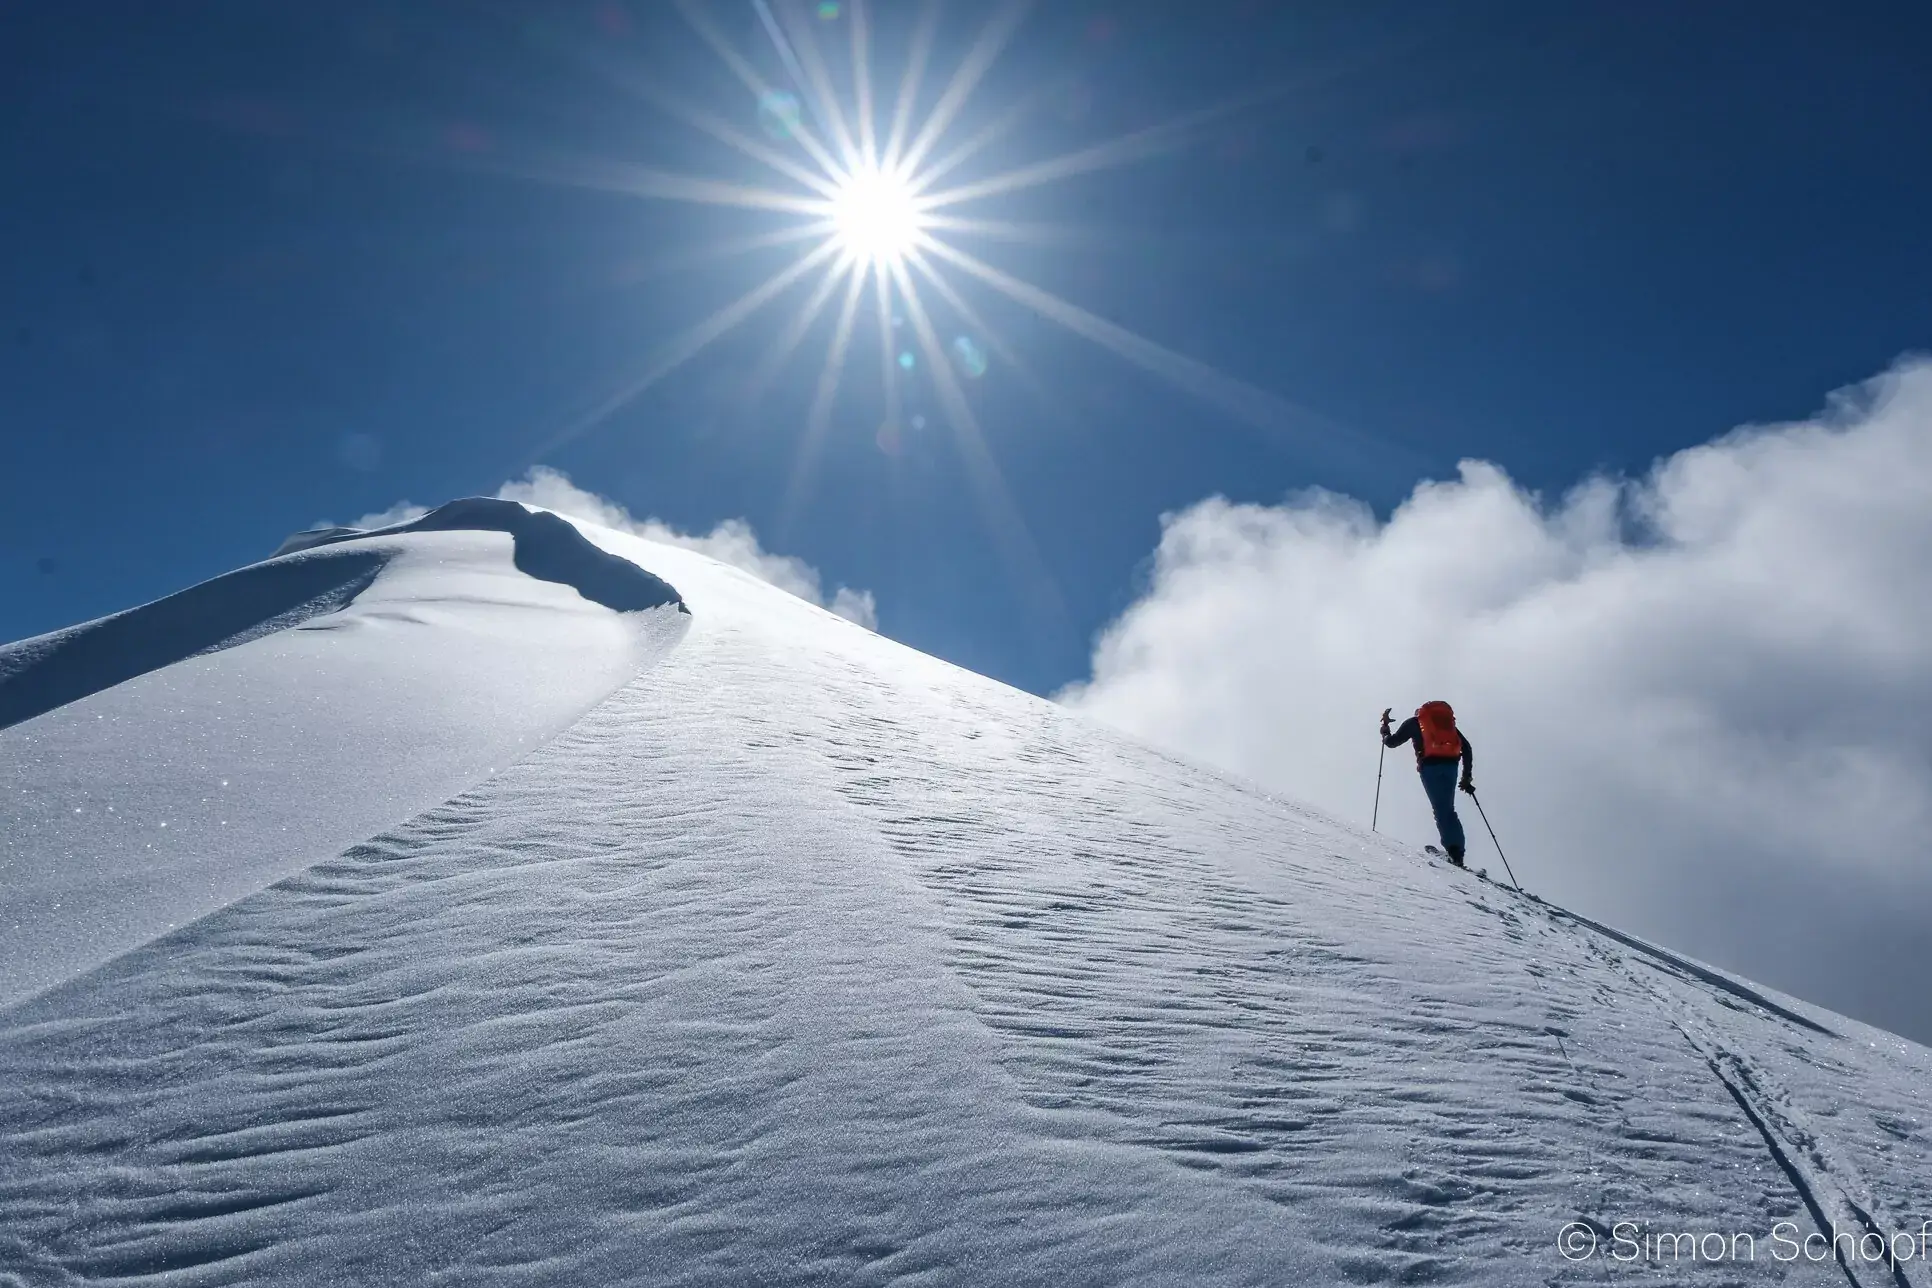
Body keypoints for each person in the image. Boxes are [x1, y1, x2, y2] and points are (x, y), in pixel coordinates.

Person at [1381, 702, 1475, 866]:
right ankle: (1456, 852)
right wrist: (1466, 776)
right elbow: (1466, 748)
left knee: (1441, 810)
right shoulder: (1449, 727)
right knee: (1447, 809)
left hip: (1430, 767)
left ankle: (1455, 855)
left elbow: (1391, 743)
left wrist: (1385, 730)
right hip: (1451, 766)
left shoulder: (1414, 722)